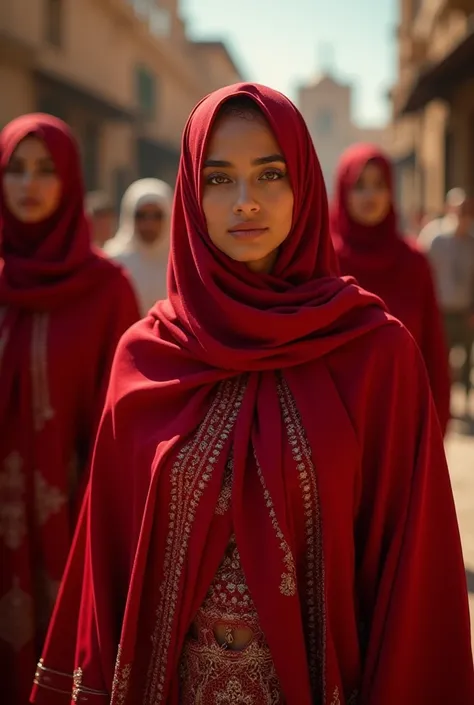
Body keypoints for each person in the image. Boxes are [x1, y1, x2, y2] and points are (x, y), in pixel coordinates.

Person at [31, 85, 473, 705]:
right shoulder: (146, 356)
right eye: (218, 179)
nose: (245, 202)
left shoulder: (376, 355)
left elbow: (412, 578)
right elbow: (107, 565)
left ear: (305, 187)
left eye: (271, 173)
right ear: (191, 192)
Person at [0, 114, 140, 705]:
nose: (29, 184)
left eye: (47, 170)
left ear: (72, 182)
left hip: (76, 526)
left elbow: (130, 424)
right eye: (16, 169)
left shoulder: (106, 290)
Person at [331, 143, 451, 434]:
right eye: (359, 185)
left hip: (401, 421)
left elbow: (432, 345)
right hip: (334, 426)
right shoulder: (324, 261)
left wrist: (438, 419)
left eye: (379, 184)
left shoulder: (413, 262)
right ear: (343, 192)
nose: (370, 195)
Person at [426, 195, 474, 409]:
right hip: (440, 311)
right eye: (459, 210)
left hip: (465, 312)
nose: (462, 216)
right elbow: (422, 274)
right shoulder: (435, 239)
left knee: (466, 360)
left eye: (467, 211)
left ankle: (463, 401)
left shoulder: (472, 242)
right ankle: (442, 402)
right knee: (441, 360)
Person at [105, 178, 173, 315]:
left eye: (156, 216)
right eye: (141, 216)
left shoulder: (183, 264)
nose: (149, 224)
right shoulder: (112, 262)